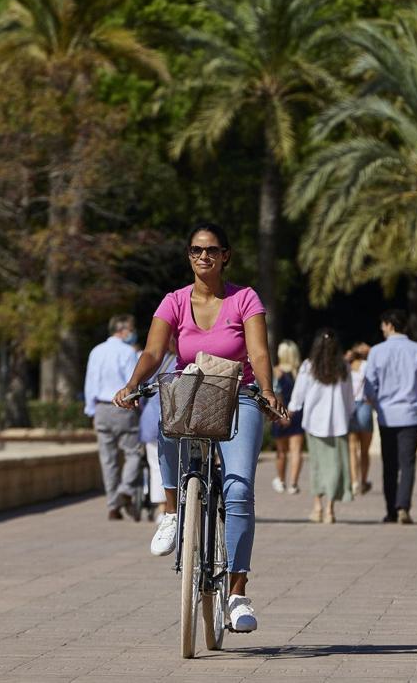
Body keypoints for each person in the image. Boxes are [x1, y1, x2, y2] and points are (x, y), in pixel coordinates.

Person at [113, 222, 285, 634]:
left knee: (239, 488)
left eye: (211, 250)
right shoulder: (173, 301)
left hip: (236, 394)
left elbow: (258, 351)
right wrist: (133, 384)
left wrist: (267, 390)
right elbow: (155, 350)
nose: (203, 257)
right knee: (167, 422)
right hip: (189, 391)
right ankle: (172, 510)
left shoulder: (245, 298)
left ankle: (239, 591)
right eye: (195, 250)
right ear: (188, 255)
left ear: (225, 255)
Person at [364, 309, 417, 525]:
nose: (381, 328)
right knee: (408, 464)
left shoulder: (376, 351)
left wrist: (377, 404)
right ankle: (403, 506)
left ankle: (391, 511)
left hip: (387, 415)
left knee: (389, 464)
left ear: (389, 325)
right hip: (411, 415)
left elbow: (368, 386)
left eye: (383, 324)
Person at [287, 328, 355, 523]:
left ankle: (317, 507)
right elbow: (350, 397)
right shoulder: (344, 367)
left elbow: (299, 393)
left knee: (316, 466)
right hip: (338, 423)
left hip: (314, 423)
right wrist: (350, 414)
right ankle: (330, 510)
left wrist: (292, 409)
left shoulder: (309, 366)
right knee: (335, 467)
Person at [83, 315, 142, 520]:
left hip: (101, 407)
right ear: (124, 330)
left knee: (107, 460)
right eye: (131, 330)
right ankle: (125, 489)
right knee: (133, 453)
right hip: (122, 407)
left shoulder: (96, 352)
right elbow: (132, 382)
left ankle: (112, 504)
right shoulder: (128, 353)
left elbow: (91, 382)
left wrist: (91, 410)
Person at [138, 338, 178, 517]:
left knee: (157, 466)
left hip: (152, 419)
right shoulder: (184, 363)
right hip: (175, 420)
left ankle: (163, 509)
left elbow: (143, 393)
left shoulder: (160, 362)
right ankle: (171, 507)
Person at [270, 340, 304, 495]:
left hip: (280, 414)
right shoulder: (299, 372)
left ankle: (281, 480)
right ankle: (294, 484)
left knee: (281, 451)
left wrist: (282, 414)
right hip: (297, 414)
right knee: (296, 451)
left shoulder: (277, 371)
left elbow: (276, 394)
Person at [346, 342, 374, 497]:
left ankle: (353, 481)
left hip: (350, 406)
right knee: (364, 450)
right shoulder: (367, 365)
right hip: (364, 405)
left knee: (351, 448)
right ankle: (363, 480)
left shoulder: (347, 367)